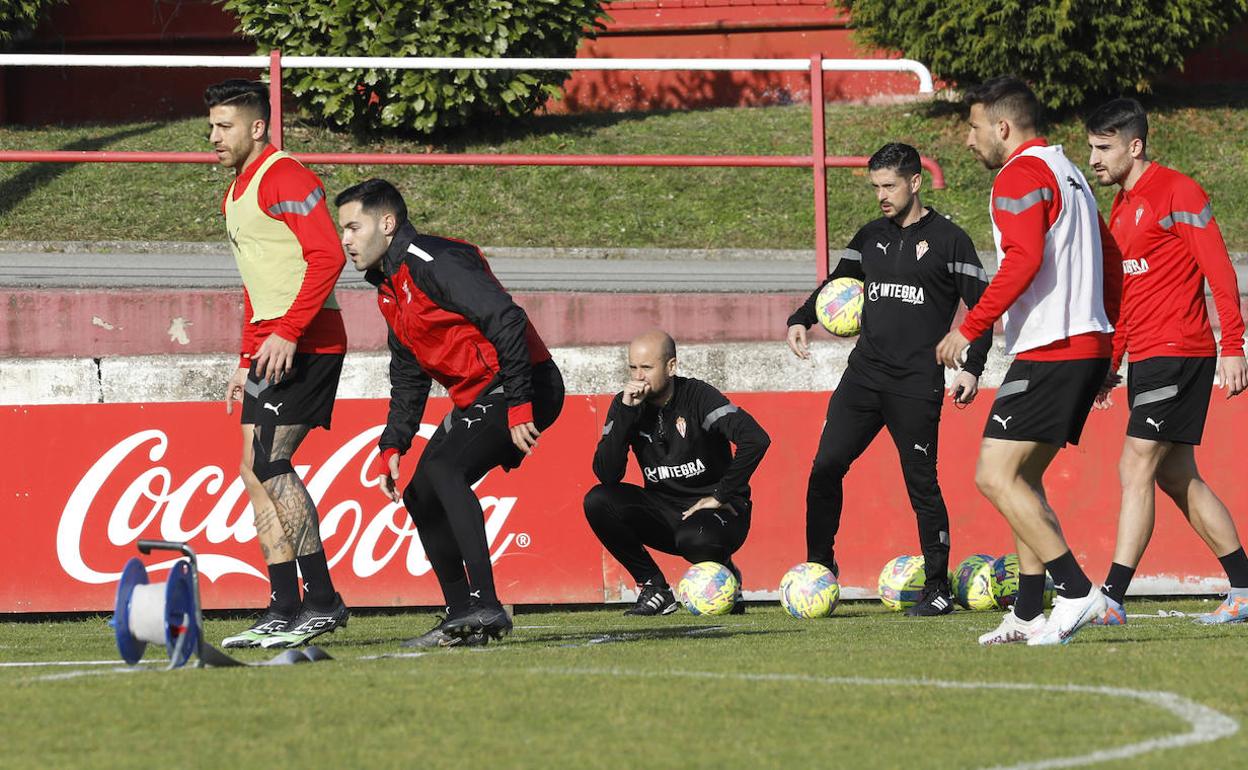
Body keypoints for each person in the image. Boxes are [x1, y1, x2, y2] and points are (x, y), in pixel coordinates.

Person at [336, 178, 564, 647]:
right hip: (484, 395)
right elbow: (408, 373)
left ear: (387, 223)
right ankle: (462, 614)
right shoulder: (388, 288)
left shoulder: (431, 260)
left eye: (353, 227)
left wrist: (520, 403)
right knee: (421, 493)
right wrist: (393, 442)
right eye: (343, 230)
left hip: (525, 383)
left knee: (443, 470)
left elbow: (507, 319)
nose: (346, 240)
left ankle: (485, 606)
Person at [936, 75, 1122, 646]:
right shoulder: (1069, 171)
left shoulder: (1019, 174)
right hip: (1081, 344)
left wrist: (968, 329)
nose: (968, 141)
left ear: (1002, 126)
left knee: (993, 475)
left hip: (1052, 347)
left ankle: (1075, 590)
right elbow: (1110, 261)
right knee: (1023, 479)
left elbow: (1022, 261)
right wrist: (1108, 343)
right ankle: (1025, 611)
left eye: (972, 127)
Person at [786, 142, 991, 616]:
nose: (881, 194)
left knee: (921, 483)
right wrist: (802, 316)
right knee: (824, 468)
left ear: (915, 182)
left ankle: (937, 588)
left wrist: (972, 368)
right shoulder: (871, 235)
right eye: (875, 186)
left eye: (889, 185)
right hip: (864, 377)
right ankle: (819, 569)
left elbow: (983, 308)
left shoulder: (949, 240)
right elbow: (837, 284)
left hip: (916, 382)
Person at [1084, 98, 1248, 625]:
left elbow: (1220, 271)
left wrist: (1234, 346)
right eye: (1090, 147)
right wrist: (1112, 364)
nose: (1094, 159)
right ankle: (1245, 590)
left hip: (1180, 352)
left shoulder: (1179, 191)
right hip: (1148, 359)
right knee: (1178, 476)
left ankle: (1110, 597)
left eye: (1104, 148)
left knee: (1134, 464)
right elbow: (1129, 296)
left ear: (1135, 146)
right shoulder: (1120, 205)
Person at [206, 79, 349, 650]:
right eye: (211, 126)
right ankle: (284, 605)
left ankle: (323, 601)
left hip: (309, 345)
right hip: (270, 348)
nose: (213, 137)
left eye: (225, 126)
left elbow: (329, 254)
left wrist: (289, 332)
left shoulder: (286, 176)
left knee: (271, 462)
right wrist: (246, 356)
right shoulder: (236, 192)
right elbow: (256, 284)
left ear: (258, 127)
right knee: (251, 467)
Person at [584, 330, 770, 615]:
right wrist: (625, 415)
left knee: (694, 538)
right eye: (633, 367)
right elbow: (608, 475)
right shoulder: (626, 404)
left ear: (671, 367)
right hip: (666, 512)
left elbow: (756, 438)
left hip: (718, 513)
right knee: (597, 501)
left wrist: (722, 494)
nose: (638, 376)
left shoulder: (698, 396)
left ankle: (725, 576)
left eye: (646, 368)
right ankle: (654, 587)